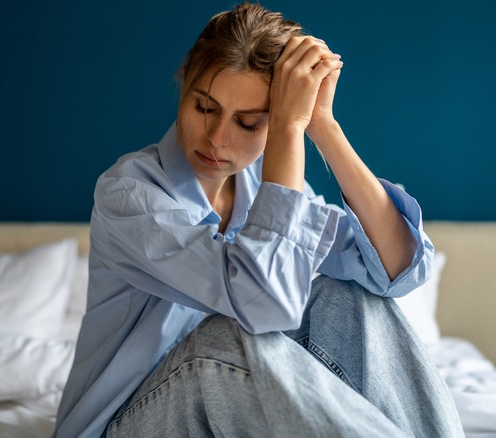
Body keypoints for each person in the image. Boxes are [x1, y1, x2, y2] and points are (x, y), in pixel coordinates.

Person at [54, 2, 463, 437]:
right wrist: (286, 131)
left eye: (249, 123)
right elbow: (264, 305)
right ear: (184, 84)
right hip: (124, 425)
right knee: (228, 339)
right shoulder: (129, 195)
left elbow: (394, 268)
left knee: (350, 295)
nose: (217, 138)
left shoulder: (267, 193)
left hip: (223, 413)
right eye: (205, 108)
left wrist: (320, 124)